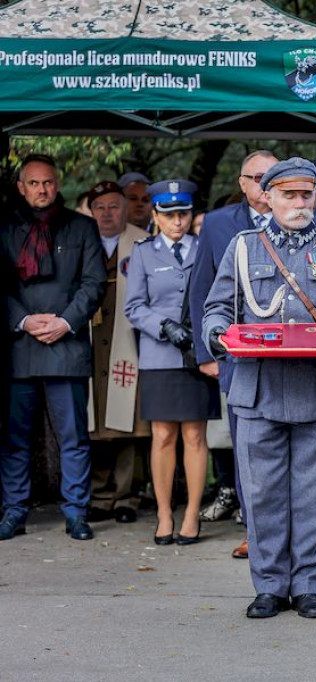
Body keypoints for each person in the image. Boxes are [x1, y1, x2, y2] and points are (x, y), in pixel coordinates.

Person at [203, 157, 316, 619]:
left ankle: (310, 587)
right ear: (268, 196)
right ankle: (270, 585)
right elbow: (217, 308)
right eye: (288, 195)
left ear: (315, 195)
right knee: (262, 496)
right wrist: (218, 334)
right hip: (258, 392)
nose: (298, 203)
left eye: (306, 194)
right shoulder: (243, 248)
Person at [0, 154, 106, 542]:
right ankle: (14, 511)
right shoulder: (5, 228)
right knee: (14, 438)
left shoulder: (82, 227)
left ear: (57, 184)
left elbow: (94, 284)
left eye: (47, 182)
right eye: (33, 183)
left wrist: (64, 321)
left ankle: (76, 512)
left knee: (74, 436)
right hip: (18, 345)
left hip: (68, 343)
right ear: (21, 187)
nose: (41, 190)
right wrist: (25, 320)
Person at [190, 150, 279, 559]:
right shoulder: (218, 224)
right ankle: (255, 530)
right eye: (256, 177)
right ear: (242, 183)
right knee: (247, 446)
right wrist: (207, 350)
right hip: (238, 357)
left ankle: (294, 528)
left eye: (270, 176)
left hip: (290, 355)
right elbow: (202, 290)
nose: (263, 183)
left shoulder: (297, 216)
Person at [125, 180, 219, 546]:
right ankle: (164, 513)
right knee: (162, 435)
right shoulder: (144, 253)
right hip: (160, 354)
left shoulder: (204, 249)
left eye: (183, 214)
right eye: (169, 215)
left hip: (196, 355)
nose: (178, 221)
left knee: (195, 436)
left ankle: (192, 513)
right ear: (156, 216)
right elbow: (134, 306)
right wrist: (163, 326)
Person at [84, 181, 151, 525]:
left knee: (129, 425)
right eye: (101, 207)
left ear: (125, 209)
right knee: (94, 422)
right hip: (91, 339)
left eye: (115, 206)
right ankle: (99, 495)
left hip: (129, 340)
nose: (108, 214)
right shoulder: (80, 240)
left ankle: (127, 496)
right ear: (90, 209)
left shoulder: (142, 241)